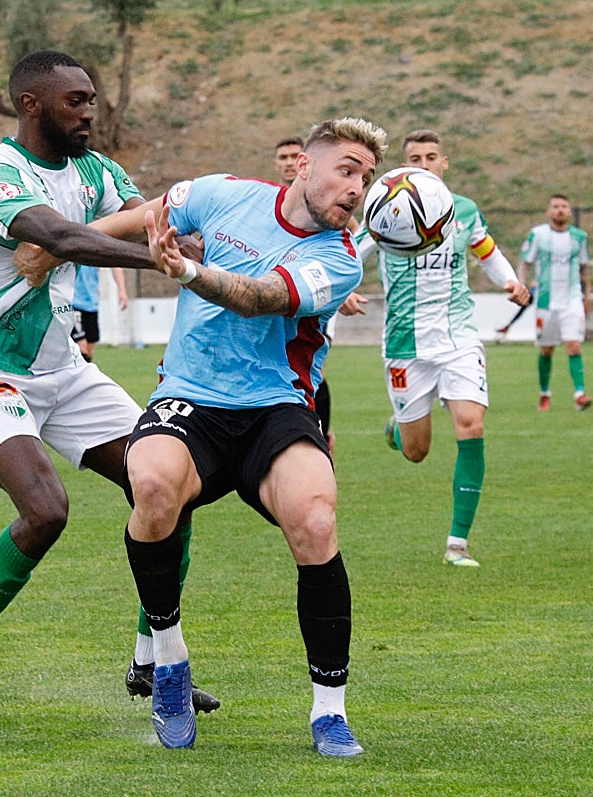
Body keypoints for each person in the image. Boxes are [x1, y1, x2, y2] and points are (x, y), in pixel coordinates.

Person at [0, 49, 217, 721]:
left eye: (91, 99)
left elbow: (152, 215)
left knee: (168, 484)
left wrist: (160, 238)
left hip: (66, 372)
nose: (89, 112)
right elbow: (57, 233)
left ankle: (152, 658)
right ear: (31, 105)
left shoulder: (96, 169)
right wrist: (159, 259)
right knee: (47, 512)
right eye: (75, 101)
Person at [99, 117, 387, 756]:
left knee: (314, 519)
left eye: (365, 177)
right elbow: (149, 213)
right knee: (149, 485)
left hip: (273, 408)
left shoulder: (337, 260)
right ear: (304, 167)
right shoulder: (225, 193)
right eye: (347, 169)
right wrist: (65, 244)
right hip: (190, 398)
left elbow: (259, 298)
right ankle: (169, 663)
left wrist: (188, 273)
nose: (356, 188)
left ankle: (329, 711)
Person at [340, 129, 530, 569]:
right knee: (416, 451)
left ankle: (457, 543)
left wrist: (508, 281)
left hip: (459, 337)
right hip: (406, 345)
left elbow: (487, 251)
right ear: (402, 167)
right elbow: (350, 256)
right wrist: (341, 292)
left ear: (444, 164)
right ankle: (398, 427)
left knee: (471, 425)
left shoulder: (463, 211)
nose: (423, 165)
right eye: (414, 158)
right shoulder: (386, 210)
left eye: (431, 157)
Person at [274, 134, 335, 449]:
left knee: (313, 369)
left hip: (315, 300)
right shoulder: (270, 203)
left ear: (305, 162)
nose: (287, 163)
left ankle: (321, 436)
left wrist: (342, 289)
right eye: (282, 157)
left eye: (292, 156)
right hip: (279, 297)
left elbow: (349, 246)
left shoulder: (325, 205)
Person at [518, 194, 593, 412]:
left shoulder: (579, 237)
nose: (560, 210)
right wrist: (521, 286)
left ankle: (579, 394)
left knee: (574, 345)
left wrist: (587, 295)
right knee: (547, 350)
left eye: (564, 206)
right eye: (556, 206)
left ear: (569, 211)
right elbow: (525, 262)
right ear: (548, 211)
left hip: (571, 300)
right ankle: (544, 393)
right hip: (546, 302)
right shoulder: (538, 235)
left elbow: (583, 269)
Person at [71, 264, 128, 361]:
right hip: (73, 303)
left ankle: (83, 375)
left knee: (89, 350)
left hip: (91, 303)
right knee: (82, 348)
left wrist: (122, 290)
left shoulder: (95, 251)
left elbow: (115, 264)